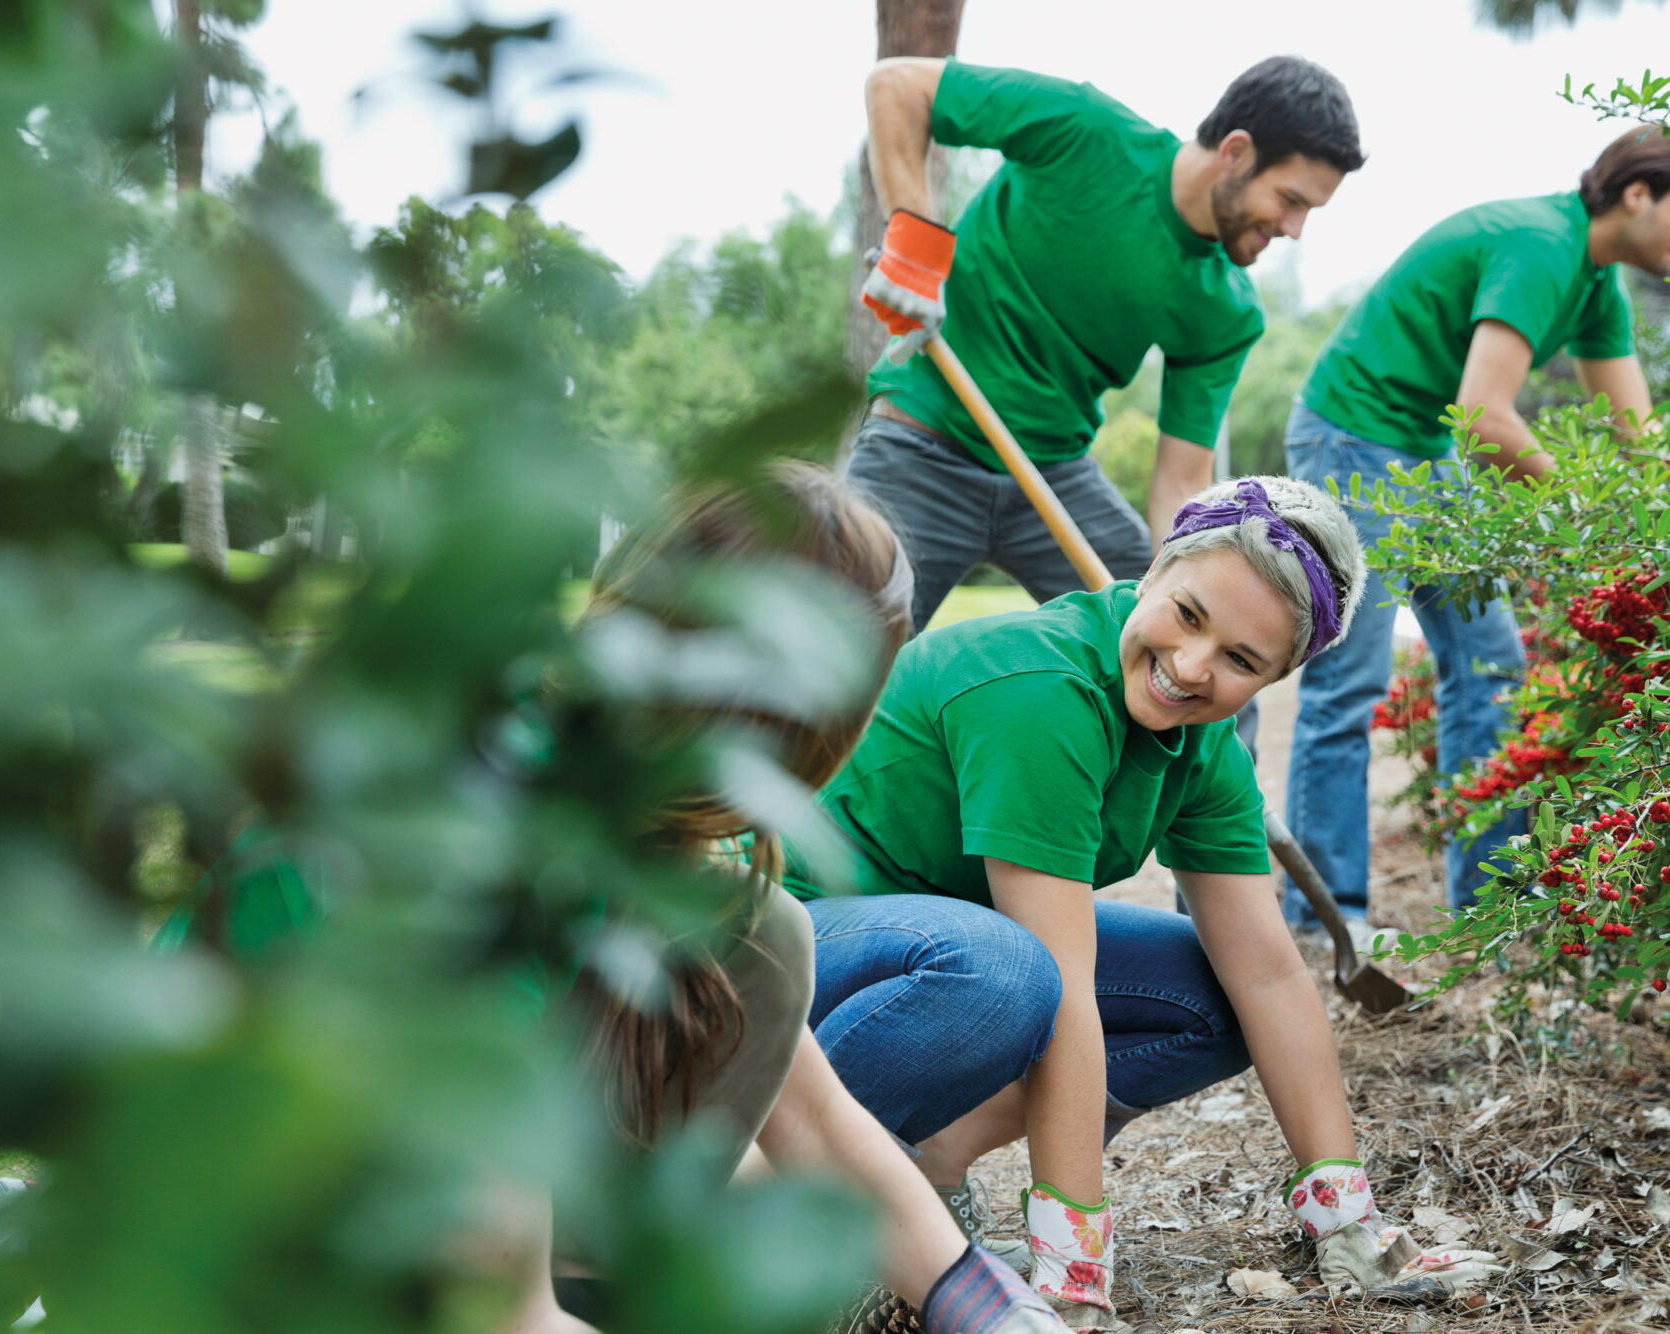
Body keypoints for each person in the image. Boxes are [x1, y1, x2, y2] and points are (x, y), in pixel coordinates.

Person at [156, 464, 1067, 1334]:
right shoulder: (485, 853)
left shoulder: (614, 803)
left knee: (761, 937)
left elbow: (817, 1121)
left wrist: (997, 1312)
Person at [783, 477, 1497, 1330]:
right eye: (1188, 615)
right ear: (1156, 570)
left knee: (1215, 1001)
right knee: (1008, 973)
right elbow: (1063, 991)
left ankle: (930, 1166)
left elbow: (1268, 975)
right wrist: (1072, 1271)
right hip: (785, 950)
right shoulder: (1037, 693)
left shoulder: (1205, 753)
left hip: (939, 946)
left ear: (1278, 675)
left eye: (1242, 661)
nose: (1193, 668)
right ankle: (799, 1196)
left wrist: (1347, 1218)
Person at [1281, 125, 1670, 938]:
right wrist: (1587, 509)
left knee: (1491, 662)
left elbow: (1637, 440)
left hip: (1422, 446)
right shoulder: (1542, 245)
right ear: (1636, 196)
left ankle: (1490, 908)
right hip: (1351, 434)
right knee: (1352, 677)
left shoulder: (1594, 283)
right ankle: (1323, 919)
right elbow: (1485, 416)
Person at [851, 54, 1364, 633]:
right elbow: (897, 85)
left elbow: (1181, 479)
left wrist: (1187, 597)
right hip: (920, 444)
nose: (1294, 229)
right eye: (1291, 200)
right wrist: (915, 251)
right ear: (1237, 152)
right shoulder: (1084, 130)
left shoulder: (1226, 307)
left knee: (1199, 642)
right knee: (829, 657)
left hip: (1053, 474)